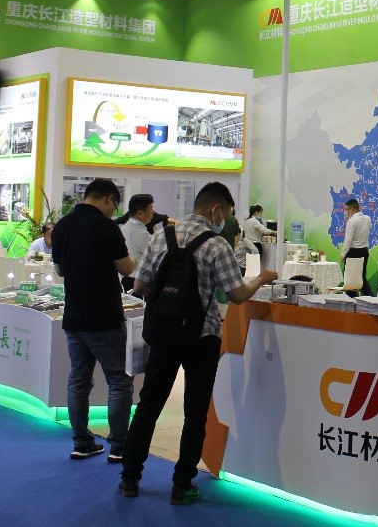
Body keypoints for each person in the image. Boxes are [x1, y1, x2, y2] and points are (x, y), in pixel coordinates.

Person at [119, 182, 278, 504]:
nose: (224, 220)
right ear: (216, 210)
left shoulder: (160, 236)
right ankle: (182, 484)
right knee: (195, 412)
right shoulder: (216, 245)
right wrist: (261, 279)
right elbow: (236, 295)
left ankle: (130, 477)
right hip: (201, 337)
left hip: (163, 333)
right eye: (226, 214)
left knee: (148, 405)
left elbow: (141, 285)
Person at [51, 178, 136, 462]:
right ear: (109, 199)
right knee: (119, 381)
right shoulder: (107, 226)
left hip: (74, 316)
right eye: (115, 205)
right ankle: (120, 445)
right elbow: (127, 268)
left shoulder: (62, 226)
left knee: (78, 380)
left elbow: (60, 271)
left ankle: (82, 442)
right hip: (104, 316)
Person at [119, 194, 155, 292]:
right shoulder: (141, 233)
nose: (153, 212)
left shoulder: (124, 228)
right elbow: (155, 259)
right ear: (140, 213)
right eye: (151, 208)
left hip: (126, 280)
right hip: (138, 283)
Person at [341, 197, 371, 270]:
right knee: (361, 274)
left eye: (347, 210)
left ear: (352, 210)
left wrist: (344, 254)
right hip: (364, 251)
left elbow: (348, 239)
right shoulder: (368, 218)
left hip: (354, 252)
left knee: (350, 275)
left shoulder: (352, 221)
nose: (346, 212)